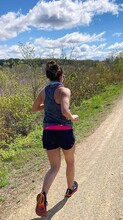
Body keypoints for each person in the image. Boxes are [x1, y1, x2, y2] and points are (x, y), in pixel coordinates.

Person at [32, 60, 79, 217]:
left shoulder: (44, 91)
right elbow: (65, 110)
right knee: (70, 162)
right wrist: (73, 117)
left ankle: (43, 196)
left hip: (49, 132)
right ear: (60, 76)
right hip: (64, 131)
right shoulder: (64, 91)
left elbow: (34, 108)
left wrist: (48, 104)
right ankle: (70, 188)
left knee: (54, 167)